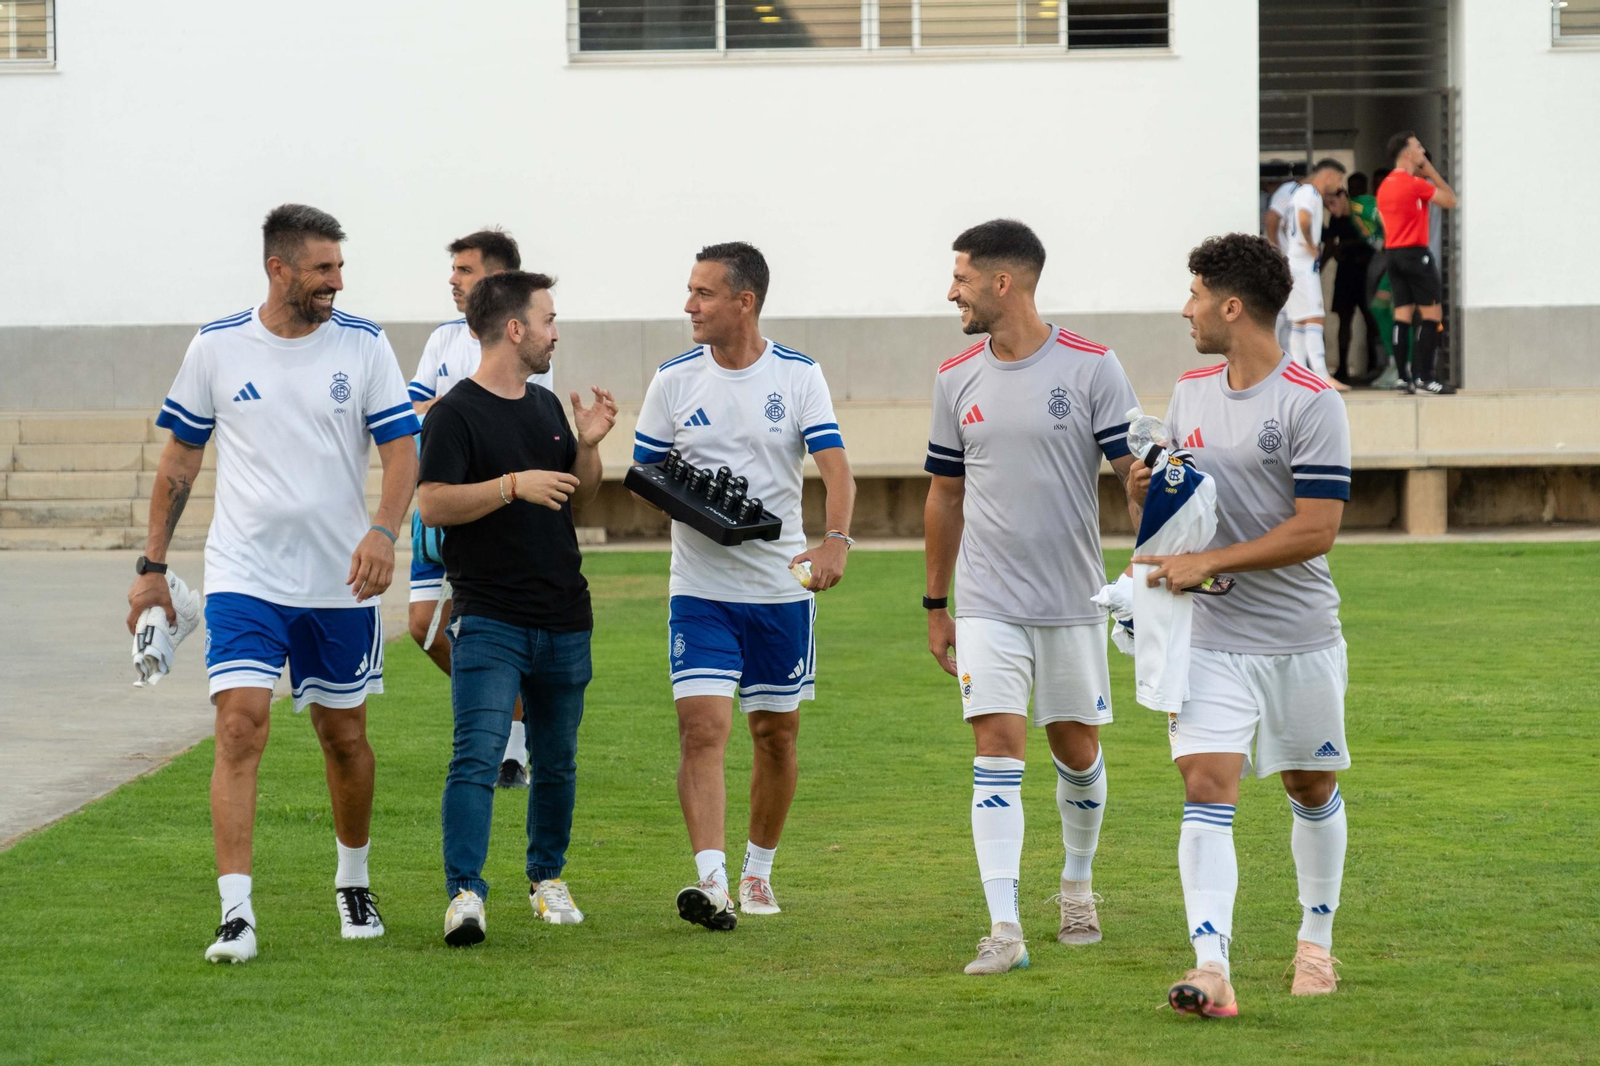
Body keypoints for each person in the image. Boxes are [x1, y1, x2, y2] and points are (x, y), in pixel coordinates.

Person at [126, 204, 421, 964]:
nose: (338, 281)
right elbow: (180, 463)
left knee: (344, 737)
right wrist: (152, 571)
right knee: (239, 724)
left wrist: (384, 531)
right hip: (244, 574)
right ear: (279, 269)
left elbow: (402, 451)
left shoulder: (364, 345)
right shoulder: (218, 346)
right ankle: (236, 914)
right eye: (324, 268)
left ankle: (352, 879)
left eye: (339, 267)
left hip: (340, 580)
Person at [1129, 233, 1352, 1017]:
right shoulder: (1189, 394)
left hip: (1299, 639)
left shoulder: (1312, 400)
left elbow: (1317, 529)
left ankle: (1315, 945)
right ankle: (1211, 965)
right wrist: (1143, 497)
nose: (1184, 309)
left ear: (1231, 306)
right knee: (1205, 781)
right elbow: (1174, 517)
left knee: (1310, 785)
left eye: (1193, 295)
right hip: (1211, 636)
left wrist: (1211, 557)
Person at [923, 219, 1141, 975]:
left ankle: (1077, 885)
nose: (952, 290)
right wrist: (936, 604)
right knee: (996, 750)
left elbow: (1134, 484)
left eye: (961, 277)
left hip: (1075, 602)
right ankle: (1005, 927)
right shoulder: (955, 376)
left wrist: (1155, 569)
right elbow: (944, 496)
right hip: (987, 603)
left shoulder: (1092, 367)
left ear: (1002, 282)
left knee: (1075, 751)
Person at [632, 242, 857, 930]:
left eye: (702, 293)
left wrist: (836, 541)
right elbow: (644, 474)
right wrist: (698, 507)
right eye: (690, 291)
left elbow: (836, 468)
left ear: (744, 301)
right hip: (698, 590)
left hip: (780, 592)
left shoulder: (797, 375)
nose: (688, 306)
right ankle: (712, 880)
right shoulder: (673, 380)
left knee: (775, 736)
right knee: (703, 729)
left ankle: (758, 873)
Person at [418, 270, 618, 945]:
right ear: (515, 329)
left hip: (564, 614)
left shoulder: (544, 407)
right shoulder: (454, 413)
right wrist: (508, 486)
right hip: (488, 618)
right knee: (475, 757)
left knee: (557, 761)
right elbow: (433, 503)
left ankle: (547, 879)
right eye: (549, 319)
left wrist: (588, 446)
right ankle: (465, 895)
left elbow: (577, 496)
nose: (556, 331)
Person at [408, 229, 550, 789]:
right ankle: (506, 717)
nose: (453, 279)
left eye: (464, 270)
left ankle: (509, 750)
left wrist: (459, 412)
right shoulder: (443, 339)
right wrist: (454, 411)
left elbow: (524, 417)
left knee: (496, 630)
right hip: (442, 503)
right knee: (424, 625)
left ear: (494, 279)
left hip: (499, 510)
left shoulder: (530, 339)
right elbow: (415, 405)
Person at [1377, 131, 1459, 395]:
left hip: (1393, 254)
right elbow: (1450, 200)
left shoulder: (1385, 185)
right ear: (1408, 153)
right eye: (1418, 147)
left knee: (1402, 312)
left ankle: (1403, 377)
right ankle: (1426, 377)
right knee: (1431, 315)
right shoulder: (1413, 183)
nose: (1423, 151)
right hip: (1416, 253)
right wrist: (1432, 171)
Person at [1282, 159, 1350, 391]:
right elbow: (1303, 219)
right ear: (1329, 176)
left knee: (1299, 320)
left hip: (1294, 262)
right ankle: (1321, 374)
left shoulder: (1298, 192)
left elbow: (1285, 225)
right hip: (1302, 265)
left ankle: (1299, 373)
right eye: (1339, 179)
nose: (1338, 185)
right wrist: (1312, 245)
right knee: (1314, 316)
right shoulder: (1310, 193)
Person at [1322, 181, 1378, 384]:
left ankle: (1376, 364)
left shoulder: (1366, 213)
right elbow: (1330, 244)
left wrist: (1348, 245)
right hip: (1345, 273)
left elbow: (1376, 239)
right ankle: (1342, 367)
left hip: (1366, 273)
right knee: (1344, 320)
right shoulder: (1337, 216)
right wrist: (1320, 266)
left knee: (1371, 319)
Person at [1262, 174, 1300, 352]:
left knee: (1288, 318)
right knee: (1281, 317)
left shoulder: (1296, 193)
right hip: (1282, 265)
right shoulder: (1290, 191)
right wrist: (1277, 255)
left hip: (1289, 266)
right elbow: (1271, 219)